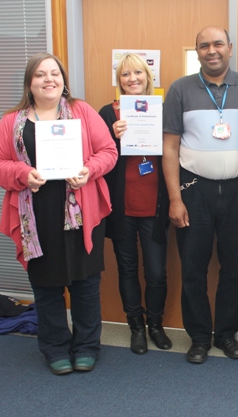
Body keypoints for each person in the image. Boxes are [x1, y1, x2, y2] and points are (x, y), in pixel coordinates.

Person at [0, 52, 117, 375]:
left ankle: (87, 346)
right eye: (40, 75)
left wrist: (88, 170)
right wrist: (21, 173)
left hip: (81, 214)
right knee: (46, 288)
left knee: (86, 285)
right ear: (29, 84)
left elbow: (108, 152)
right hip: (36, 218)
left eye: (54, 73)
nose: (49, 79)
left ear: (63, 80)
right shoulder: (11, 122)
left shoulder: (82, 112)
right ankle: (56, 347)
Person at [162, 27, 238, 364]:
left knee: (236, 268)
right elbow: (170, 148)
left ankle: (225, 334)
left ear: (230, 48)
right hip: (194, 192)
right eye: (204, 45)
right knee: (193, 267)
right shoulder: (179, 89)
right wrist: (175, 198)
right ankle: (198, 338)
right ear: (197, 52)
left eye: (218, 43)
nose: (212, 50)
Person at [99, 53, 171, 355]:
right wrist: (114, 138)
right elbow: (98, 156)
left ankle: (155, 324)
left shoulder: (163, 110)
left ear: (148, 76)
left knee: (156, 272)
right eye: (126, 74)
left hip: (154, 204)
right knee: (127, 269)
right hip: (122, 207)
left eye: (138, 73)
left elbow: (173, 152)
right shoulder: (107, 113)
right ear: (119, 80)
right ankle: (136, 327)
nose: (132, 79)